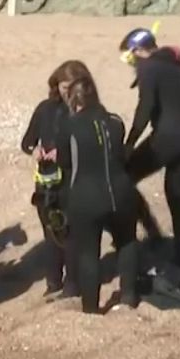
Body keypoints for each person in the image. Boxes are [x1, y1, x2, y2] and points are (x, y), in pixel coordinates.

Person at [122, 27, 180, 268]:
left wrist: (129, 144)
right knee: (176, 195)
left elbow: (145, 109)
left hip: (166, 139)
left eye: (130, 58)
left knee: (125, 177)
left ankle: (153, 233)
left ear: (138, 51)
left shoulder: (148, 68)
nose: (132, 64)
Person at [62, 72, 140, 314]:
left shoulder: (69, 127)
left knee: (88, 253)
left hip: (87, 197)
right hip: (122, 192)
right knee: (127, 242)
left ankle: (91, 308)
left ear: (73, 101)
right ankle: (128, 295)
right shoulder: (116, 122)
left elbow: (65, 165)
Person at [20, 60, 87, 298]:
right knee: (50, 230)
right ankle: (53, 281)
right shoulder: (45, 109)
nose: (65, 91)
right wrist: (35, 151)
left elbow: (91, 145)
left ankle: (72, 285)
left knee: (71, 232)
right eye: (62, 85)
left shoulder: (85, 111)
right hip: (47, 178)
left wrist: (65, 152)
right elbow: (27, 141)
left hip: (73, 177)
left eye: (70, 86)